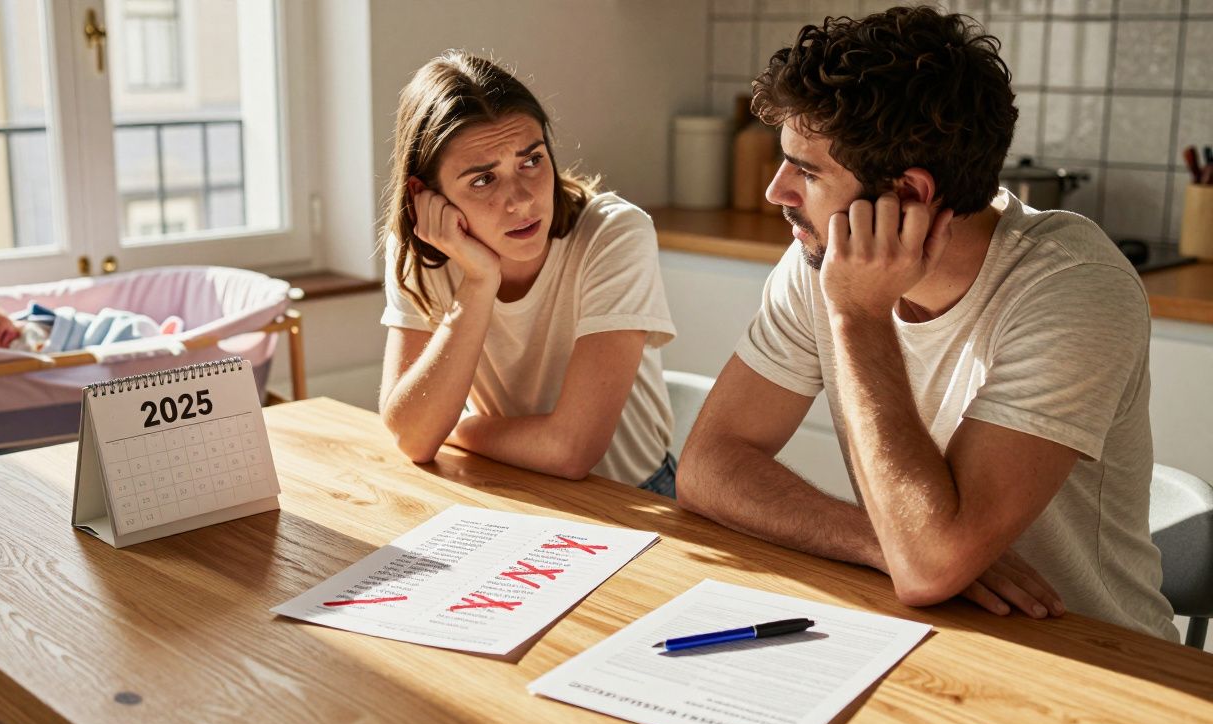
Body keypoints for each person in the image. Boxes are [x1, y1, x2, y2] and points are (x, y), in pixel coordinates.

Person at [675, 6, 1177, 640]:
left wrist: (857, 315)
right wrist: (878, 541)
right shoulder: (821, 254)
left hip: (1095, 657)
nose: (777, 192)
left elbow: (929, 565)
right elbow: (708, 467)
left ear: (908, 194)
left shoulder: (1072, 284)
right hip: (925, 630)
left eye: (806, 171)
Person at [379, 51, 677, 495]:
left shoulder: (614, 234)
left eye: (531, 161)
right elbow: (413, 438)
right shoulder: (422, 252)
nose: (521, 201)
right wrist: (479, 282)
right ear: (427, 196)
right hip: (509, 487)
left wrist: (460, 428)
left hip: (633, 496)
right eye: (483, 180)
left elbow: (570, 451)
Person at [0, 286, 182, 352]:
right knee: (126, 342)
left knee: (118, 324)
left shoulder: (25, 321)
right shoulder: (16, 352)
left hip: (93, 330)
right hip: (96, 344)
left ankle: (157, 335)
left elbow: (69, 324)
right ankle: (157, 338)